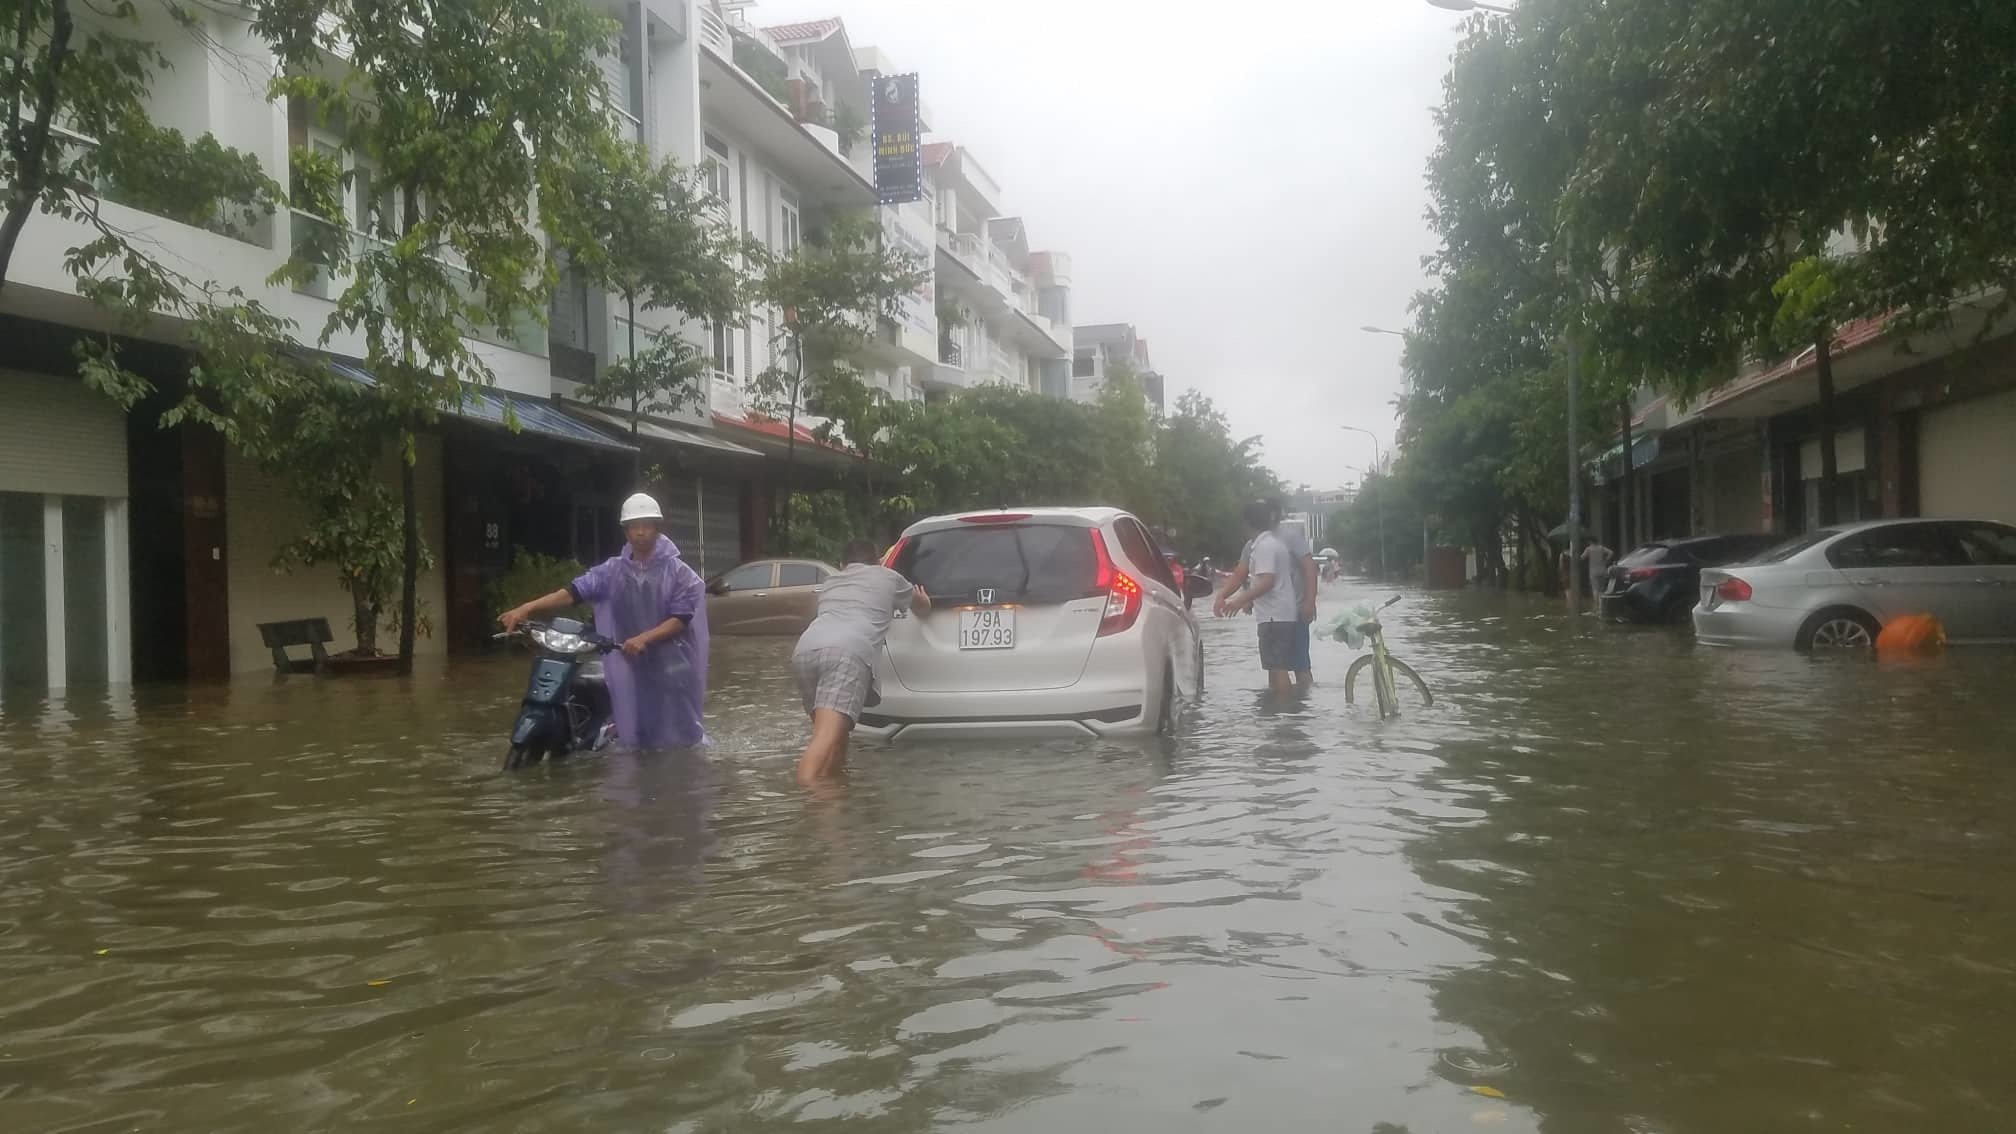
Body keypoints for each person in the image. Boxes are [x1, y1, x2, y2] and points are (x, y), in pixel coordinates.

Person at [499, 493, 710, 748]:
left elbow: (680, 619)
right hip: (632, 660)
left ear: (657, 528)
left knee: (680, 737)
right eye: (634, 526)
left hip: (673, 665)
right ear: (626, 531)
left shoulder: (680, 574)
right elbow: (573, 592)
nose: (640, 532)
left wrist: (644, 638)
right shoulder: (612, 571)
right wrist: (527, 608)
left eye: (646, 525)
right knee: (638, 732)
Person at [790, 539, 931, 785]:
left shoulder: (831, 582)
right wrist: (923, 599)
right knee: (824, 740)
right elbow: (921, 608)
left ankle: (833, 804)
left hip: (805, 651)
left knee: (835, 740)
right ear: (877, 562)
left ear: (843, 564)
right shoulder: (888, 577)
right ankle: (808, 803)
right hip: (846, 653)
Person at [1214, 501, 1319, 687]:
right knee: (1277, 667)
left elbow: (1308, 568)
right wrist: (1224, 595)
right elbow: (1243, 573)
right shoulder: (1253, 545)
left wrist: (1310, 602)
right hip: (1278, 611)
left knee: (1298, 665)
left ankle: (1293, 708)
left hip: (1294, 609)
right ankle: (1292, 710)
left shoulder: (1287, 539)